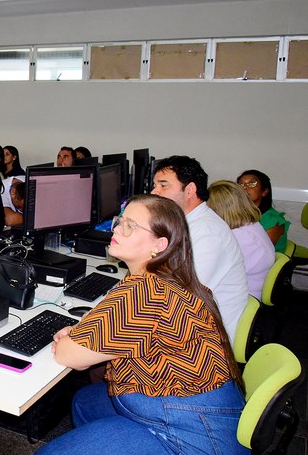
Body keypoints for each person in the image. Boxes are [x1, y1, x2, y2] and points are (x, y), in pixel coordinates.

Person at [41, 194, 245, 455]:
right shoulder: (168, 275)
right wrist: (83, 334)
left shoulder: (145, 293)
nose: (116, 230)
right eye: (119, 222)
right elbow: (122, 326)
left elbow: (71, 355)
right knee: (86, 401)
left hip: (196, 434)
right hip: (197, 407)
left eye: (130, 226)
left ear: (160, 244)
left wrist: (70, 337)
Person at [151, 155, 247, 342]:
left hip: (206, 341)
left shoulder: (207, 233)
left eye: (163, 185)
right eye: (155, 185)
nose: (154, 192)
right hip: (188, 323)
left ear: (190, 190)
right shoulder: (188, 223)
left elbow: (179, 298)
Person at [208, 180, 275, 298]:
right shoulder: (251, 225)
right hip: (242, 290)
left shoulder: (240, 238)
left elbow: (210, 275)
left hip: (240, 298)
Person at [237, 169, 291, 253]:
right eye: (241, 184)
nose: (245, 187)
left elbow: (257, 253)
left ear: (264, 192)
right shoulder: (237, 212)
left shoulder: (273, 221)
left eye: (251, 184)